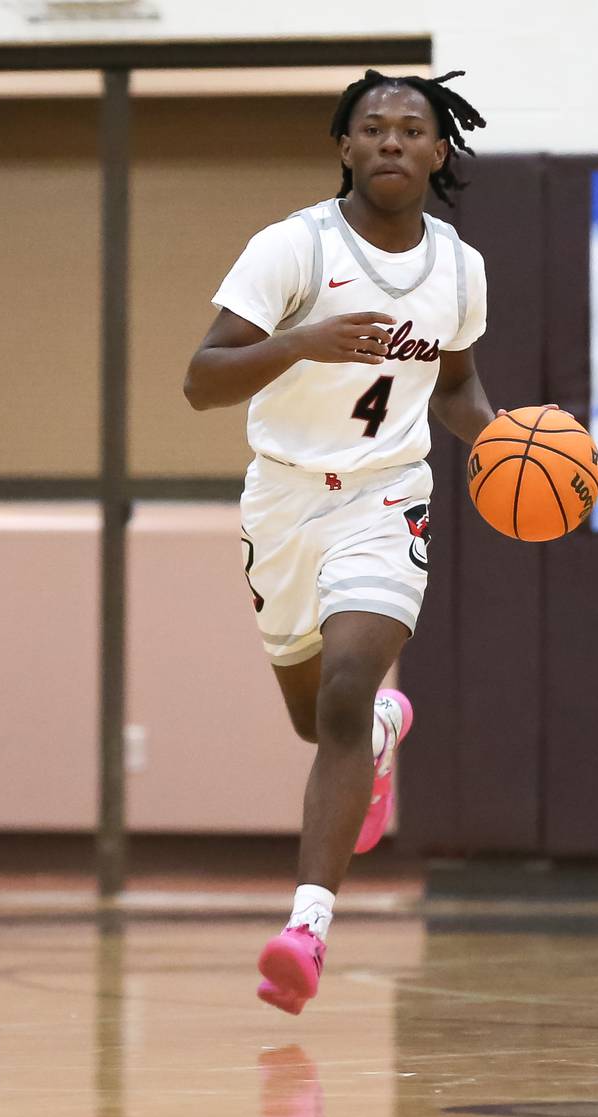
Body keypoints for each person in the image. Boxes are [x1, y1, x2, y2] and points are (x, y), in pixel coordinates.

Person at [183, 69, 495, 1015]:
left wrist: (508, 444)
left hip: (385, 495)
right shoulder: (293, 248)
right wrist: (302, 341)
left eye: (413, 129)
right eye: (375, 127)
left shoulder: (460, 268)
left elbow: (453, 390)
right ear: (347, 147)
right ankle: (384, 734)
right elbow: (202, 379)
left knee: (351, 688)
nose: (394, 140)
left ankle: (305, 928)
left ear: (440, 152)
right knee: (315, 717)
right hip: (281, 499)